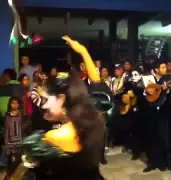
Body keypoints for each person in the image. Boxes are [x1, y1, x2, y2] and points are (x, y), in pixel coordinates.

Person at [20, 36, 105, 180]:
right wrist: (83, 52)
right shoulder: (94, 118)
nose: (45, 104)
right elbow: (96, 84)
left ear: (61, 99)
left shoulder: (55, 137)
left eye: (47, 98)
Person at [4, 97, 30, 178]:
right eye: (12, 103)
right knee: (12, 163)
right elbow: (6, 130)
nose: (14, 105)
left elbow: (29, 124)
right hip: (10, 143)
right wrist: (7, 143)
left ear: (19, 104)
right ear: (10, 104)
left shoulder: (23, 114)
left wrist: (23, 127)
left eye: (16, 103)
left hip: (21, 142)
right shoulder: (7, 115)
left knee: (21, 162)